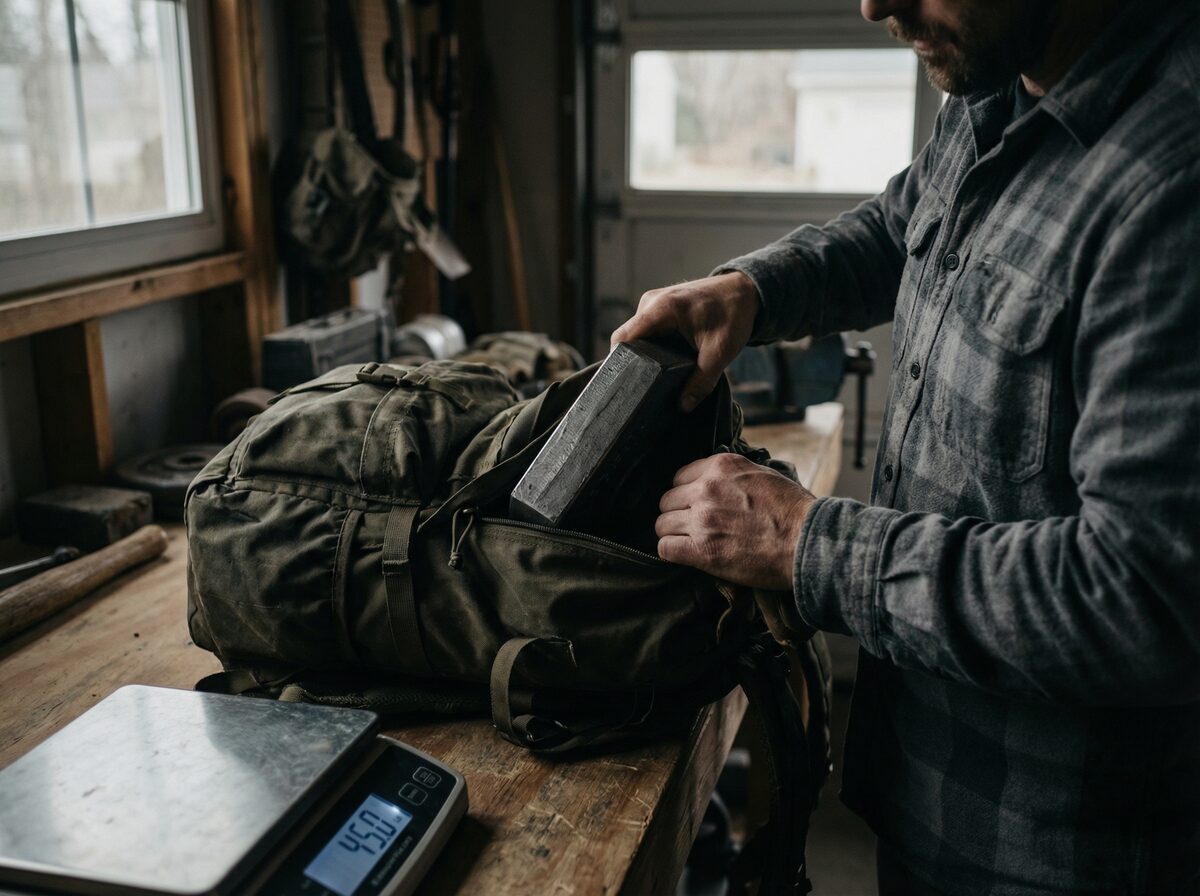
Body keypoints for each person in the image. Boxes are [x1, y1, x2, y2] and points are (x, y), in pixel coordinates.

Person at [612, 0, 1200, 893]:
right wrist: (753, 290)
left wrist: (806, 543)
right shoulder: (998, 69)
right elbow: (904, 226)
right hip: (929, 787)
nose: (875, 4)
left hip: (1061, 853)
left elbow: (1143, 597)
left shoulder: (1173, 182)